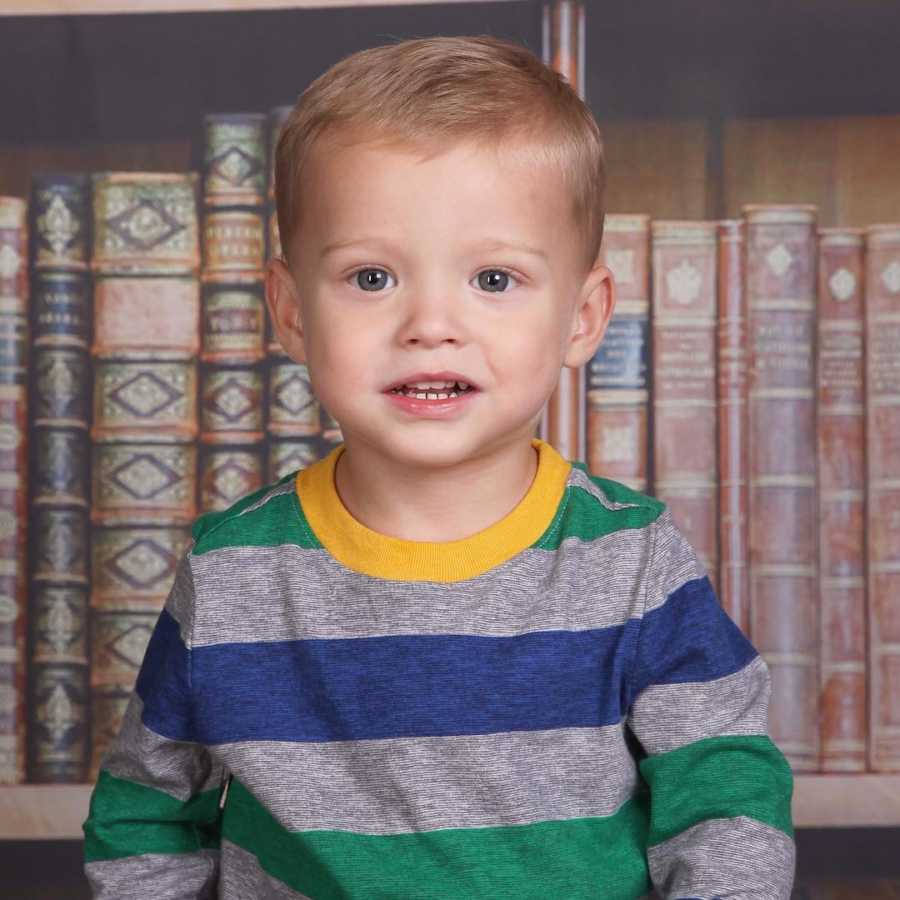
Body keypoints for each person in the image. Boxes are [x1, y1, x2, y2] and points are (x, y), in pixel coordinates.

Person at [82, 34, 795, 899]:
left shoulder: (633, 562)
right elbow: (146, 817)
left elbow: (727, 802)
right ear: (290, 310)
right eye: (372, 276)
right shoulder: (232, 573)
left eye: (493, 279)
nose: (430, 323)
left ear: (582, 315)